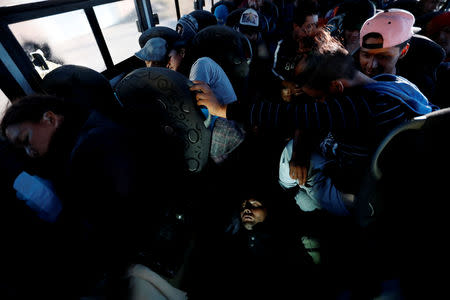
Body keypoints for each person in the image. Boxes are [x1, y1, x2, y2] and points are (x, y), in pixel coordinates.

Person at [191, 28, 437, 216]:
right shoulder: (393, 84)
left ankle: (284, 190)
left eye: (318, 99)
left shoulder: (361, 108)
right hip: (379, 177)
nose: (318, 105)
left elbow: (287, 115)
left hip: (361, 196)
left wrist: (221, 108)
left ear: (337, 87)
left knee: (291, 165)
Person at [0, 95, 187, 296]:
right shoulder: (79, 135)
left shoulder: (91, 147)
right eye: (23, 149)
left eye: (26, 140)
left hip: (150, 239)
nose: (29, 152)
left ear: (50, 118)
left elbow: (114, 223)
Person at [358, 8, 445, 100]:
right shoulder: (348, 75)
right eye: (366, 55)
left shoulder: (417, 91)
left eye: (382, 56)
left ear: (403, 51)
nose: (371, 65)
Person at [272, 0, 320, 102]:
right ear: (296, 26)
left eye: (315, 25)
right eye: (308, 26)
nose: (313, 31)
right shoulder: (281, 44)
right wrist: (287, 83)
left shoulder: (317, 43)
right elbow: (271, 71)